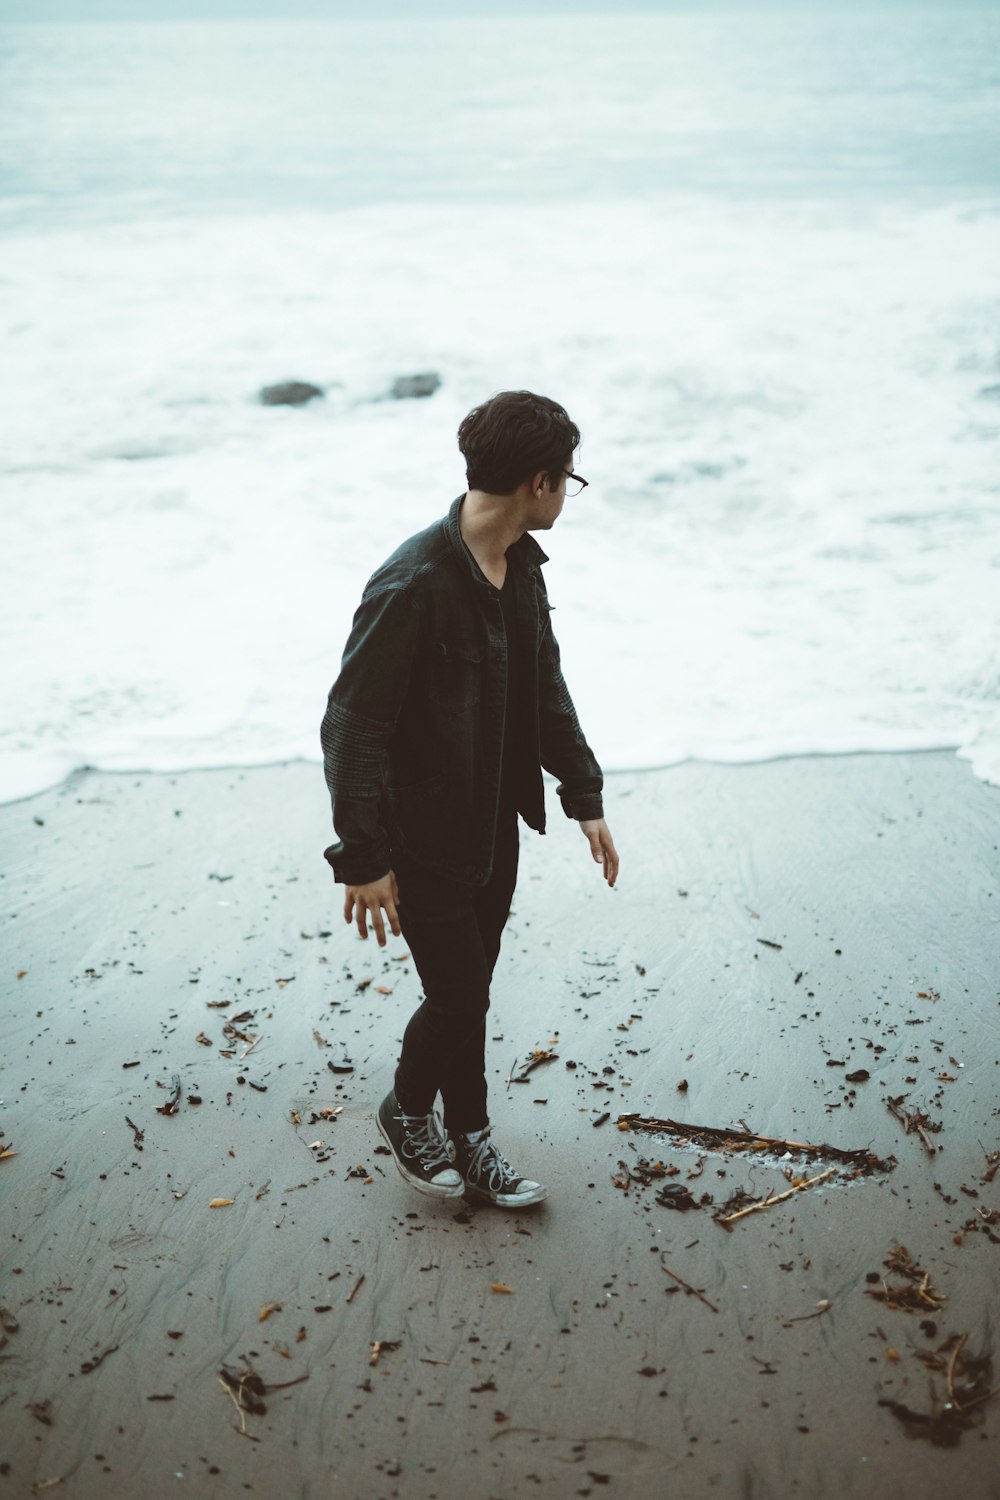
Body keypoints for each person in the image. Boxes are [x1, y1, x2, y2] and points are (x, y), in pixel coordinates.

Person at [320, 390, 619, 1209]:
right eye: (570, 479)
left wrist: (582, 792)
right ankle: (408, 1110)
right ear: (540, 481)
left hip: (494, 826)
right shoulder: (412, 583)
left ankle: (472, 1139)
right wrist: (365, 858)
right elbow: (351, 727)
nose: (568, 494)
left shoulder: (519, 567)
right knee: (459, 993)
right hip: (420, 836)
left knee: (470, 988)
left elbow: (542, 686)